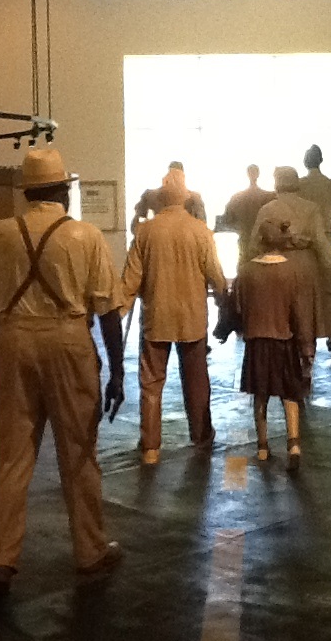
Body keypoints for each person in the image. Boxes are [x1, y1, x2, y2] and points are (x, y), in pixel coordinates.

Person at [0, 148, 126, 595]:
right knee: (78, 449)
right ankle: (90, 550)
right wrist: (117, 371)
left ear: (27, 193)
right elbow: (108, 309)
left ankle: (0, 559)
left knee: (12, 455)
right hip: (68, 339)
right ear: (63, 191)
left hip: (15, 340)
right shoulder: (85, 235)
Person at [121, 168, 227, 466]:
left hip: (156, 318)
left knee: (151, 382)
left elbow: (130, 281)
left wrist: (114, 314)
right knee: (196, 381)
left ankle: (151, 446)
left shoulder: (146, 232)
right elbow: (216, 275)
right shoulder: (200, 231)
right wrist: (226, 304)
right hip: (192, 318)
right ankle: (202, 436)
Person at [230, 218, 313, 471]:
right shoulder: (292, 271)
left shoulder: (246, 271)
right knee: (290, 395)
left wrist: (224, 330)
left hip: (256, 343)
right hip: (284, 342)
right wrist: (306, 349)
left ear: (260, 240)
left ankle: (263, 447)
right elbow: (300, 314)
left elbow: (237, 307)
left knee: (260, 396)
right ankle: (294, 444)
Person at [250, 166, 331, 365]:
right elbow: (321, 242)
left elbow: (254, 244)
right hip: (305, 263)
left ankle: (281, 359)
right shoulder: (311, 208)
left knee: (278, 312)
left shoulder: (267, 209)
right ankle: (306, 355)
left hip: (275, 264)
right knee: (305, 312)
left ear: (277, 183)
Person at [298, 144, 331, 363]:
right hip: (327, 239)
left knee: (305, 295)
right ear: (321, 160)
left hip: (305, 245)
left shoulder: (299, 186)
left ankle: (307, 340)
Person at [220, 164, 275, 270]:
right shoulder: (268, 197)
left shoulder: (237, 198)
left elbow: (227, 221)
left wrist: (241, 227)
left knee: (244, 272)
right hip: (262, 245)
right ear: (258, 174)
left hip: (244, 243)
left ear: (247, 174)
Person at [130, 160, 207, 232]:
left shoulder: (150, 195)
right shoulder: (194, 198)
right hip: (185, 237)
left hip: (159, 235)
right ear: (183, 176)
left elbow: (135, 226)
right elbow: (202, 225)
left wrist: (148, 233)